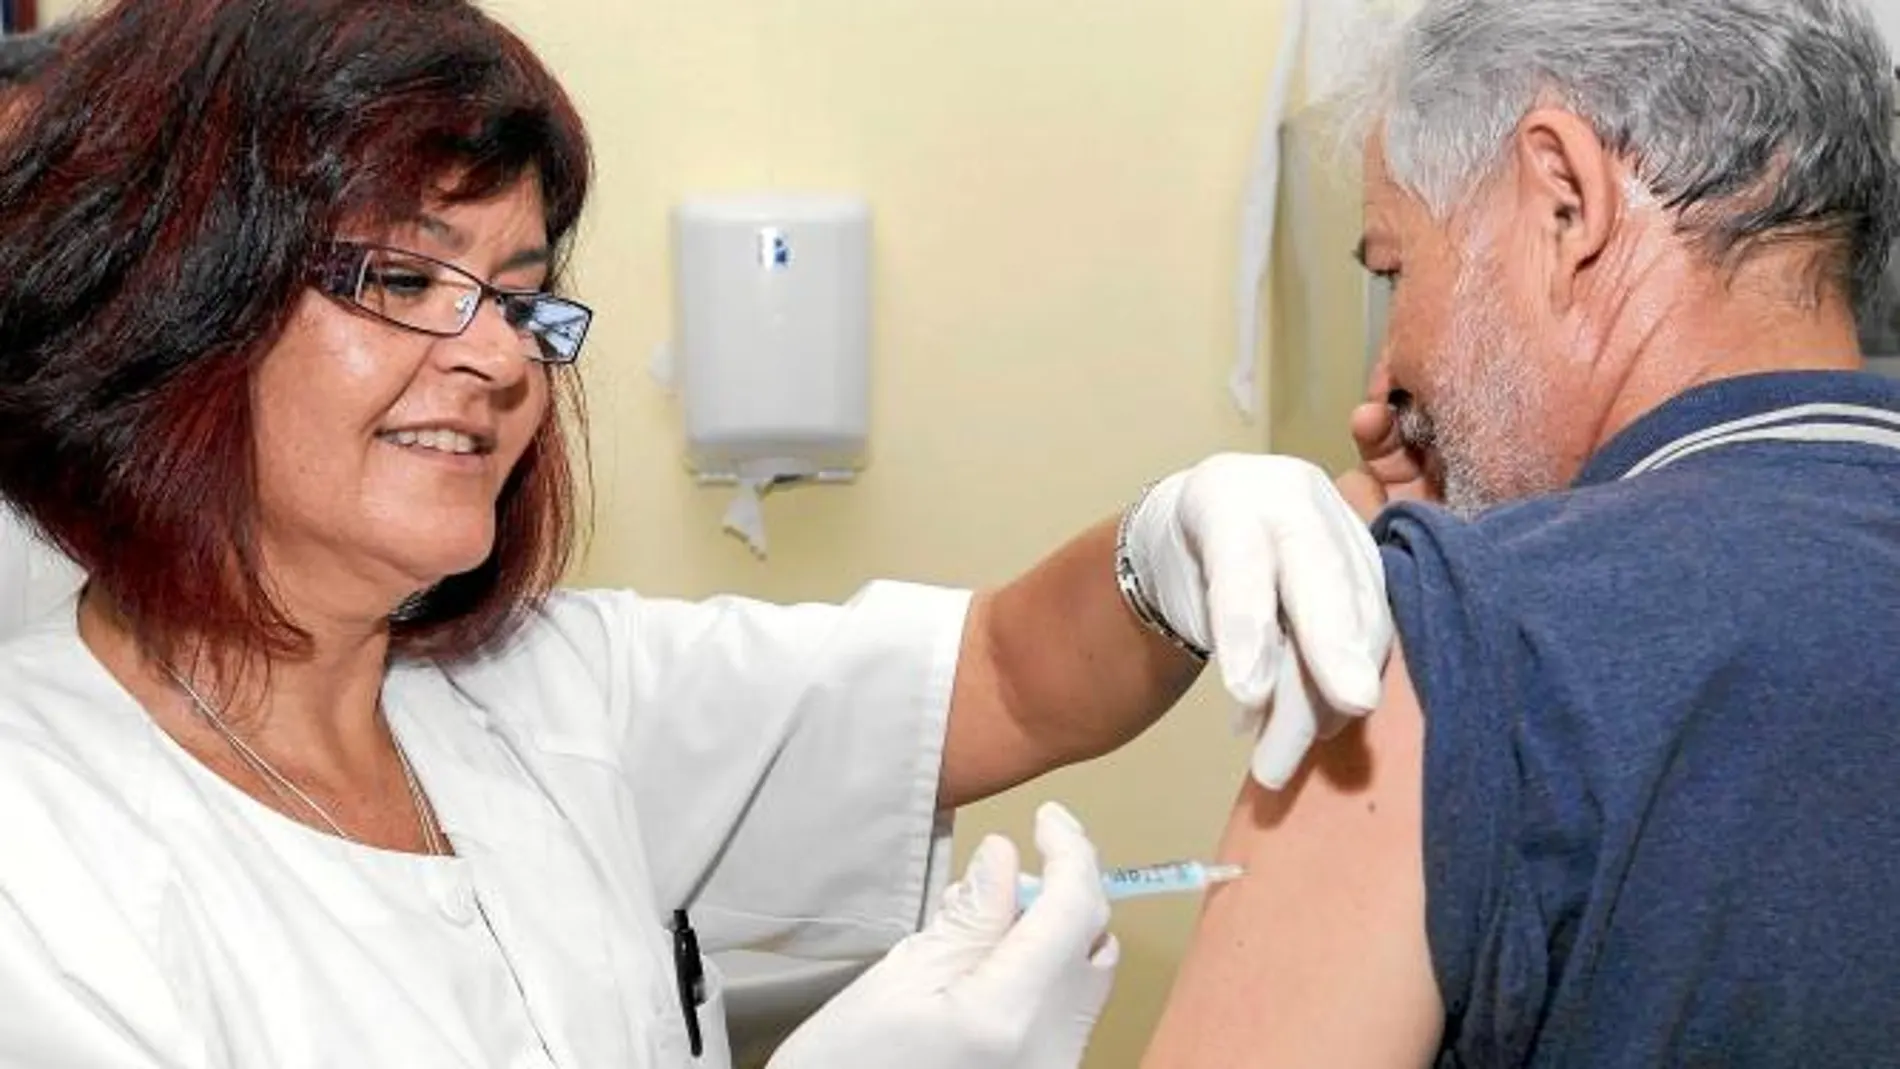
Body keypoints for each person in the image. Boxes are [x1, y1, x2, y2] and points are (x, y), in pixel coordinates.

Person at [0, 3, 1391, 1067]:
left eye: (526, 296)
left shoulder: (550, 698)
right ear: (163, 295)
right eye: (410, 276)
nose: (499, 360)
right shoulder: (41, 865)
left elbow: (1006, 676)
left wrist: (1172, 550)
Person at [1142, 0, 1900, 1066]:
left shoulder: (1453, 643)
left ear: (1562, 200)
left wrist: (1452, 604)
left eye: (1393, 269)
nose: (1387, 377)